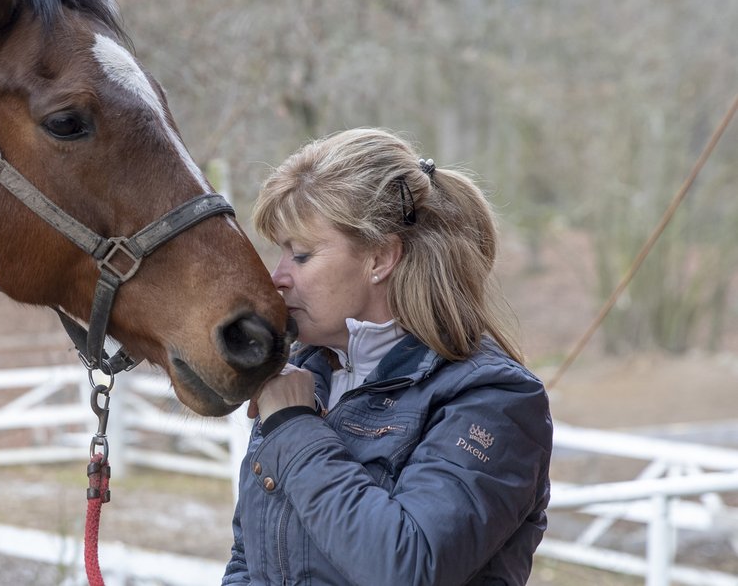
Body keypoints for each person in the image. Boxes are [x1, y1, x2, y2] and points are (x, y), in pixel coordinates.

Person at [223, 128, 552, 585]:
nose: (277, 277)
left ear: (380, 259)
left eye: (300, 255)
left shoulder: (493, 399)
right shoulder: (306, 376)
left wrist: (295, 429)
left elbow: (406, 567)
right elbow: (249, 558)